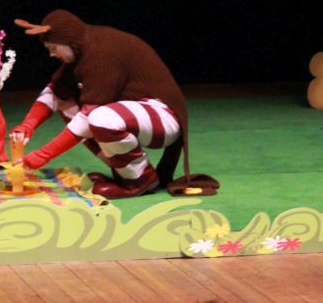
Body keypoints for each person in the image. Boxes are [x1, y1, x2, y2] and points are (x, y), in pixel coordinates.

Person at [10, 10, 189, 198]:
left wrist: (41, 156)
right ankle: (124, 174)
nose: (51, 54)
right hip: (140, 114)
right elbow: (55, 93)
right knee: (70, 105)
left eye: (53, 48)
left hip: (164, 116)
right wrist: (27, 125)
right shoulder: (81, 50)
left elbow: (88, 116)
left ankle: (141, 179)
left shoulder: (102, 51)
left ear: (68, 41)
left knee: (99, 118)